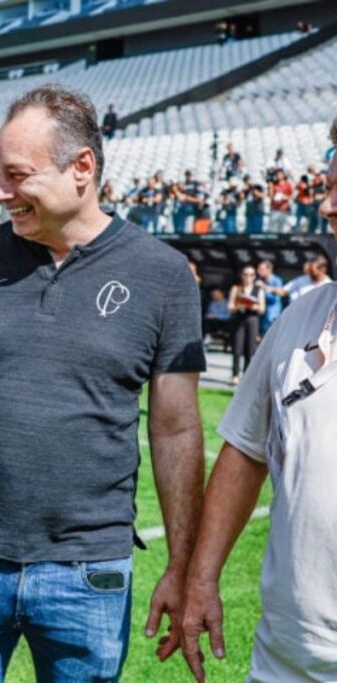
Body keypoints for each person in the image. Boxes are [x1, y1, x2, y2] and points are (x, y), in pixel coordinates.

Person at [0, 84, 206, 682]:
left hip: (87, 573)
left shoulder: (162, 275)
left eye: (16, 176)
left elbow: (176, 429)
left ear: (81, 167)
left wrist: (182, 564)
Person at [177, 119, 337, 683]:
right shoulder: (301, 314)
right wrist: (201, 579)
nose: (328, 204)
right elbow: (246, 451)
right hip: (285, 657)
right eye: (330, 184)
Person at [227, 266, 265, 384]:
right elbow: (230, 306)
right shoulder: (236, 288)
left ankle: (247, 376)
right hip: (239, 318)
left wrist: (254, 306)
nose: (248, 277)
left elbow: (262, 309)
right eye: (245, 274)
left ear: (254, 276)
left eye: (251, 275)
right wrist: (239, 306)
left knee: (250, 348)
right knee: (237, 348)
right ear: (241, 275)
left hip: (252, 319)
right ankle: (235, 374)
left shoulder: (259, 290)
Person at [255, 259, 284, 337]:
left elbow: (280, 293)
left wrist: (264, 287)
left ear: (269, 270)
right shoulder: (260, 281)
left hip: (273, 315)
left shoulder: (276, 281)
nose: (258, 272)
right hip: (262, 315)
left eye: (261, 269)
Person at [268, 169, 293, 233]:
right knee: (273, 229)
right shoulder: (273, 184)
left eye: (280, 174)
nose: (278, 175)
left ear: (283, 175)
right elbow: (270, 196)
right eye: (277, 174)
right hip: (275, 208)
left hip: (284, 209)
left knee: (284, 229)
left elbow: (291, 196)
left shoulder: (288, 184)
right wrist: (270, 187)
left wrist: (285, 197)